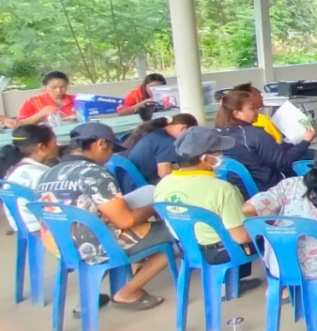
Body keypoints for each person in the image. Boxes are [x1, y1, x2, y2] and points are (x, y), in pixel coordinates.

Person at [36, 122, 173, 310]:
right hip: (94, 246)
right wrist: (155, 208)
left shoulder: (49, 173)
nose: (110, 155)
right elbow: (126, 220)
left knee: (136, 202)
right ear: (101, 144)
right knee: (176, 235)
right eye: (111, 149)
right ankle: (128, 293)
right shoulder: (94, 173)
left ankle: (86, 299)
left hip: (61, 245)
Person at [243, 143, 317, 315]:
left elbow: (248, 209)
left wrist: (270, 229)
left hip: (280, 264)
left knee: (302, 245)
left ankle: (282, 287)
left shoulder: (289, 185)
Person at [154, 127, 261, 293]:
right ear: (205, 158)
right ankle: (283, 286)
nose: (221, 156)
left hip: (188, 250)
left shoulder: (163, 185)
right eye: (218, 152)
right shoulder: (222, 189)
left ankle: (228, 283)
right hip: (222, 252)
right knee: (272, 235)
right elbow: (241, 237)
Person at [214, 89, 314, 195]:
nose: (257, 111)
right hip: (267, 189)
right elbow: (284, 163)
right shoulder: (256, 135)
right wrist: (305, 141)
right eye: (251, 108)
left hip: (236, 189)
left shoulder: (215, 134)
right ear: (237, 114)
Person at [1, 124, 59, 233]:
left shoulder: (12, 168)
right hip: (40, 230)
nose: (57, 147)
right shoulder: (40, 176)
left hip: (20, 226)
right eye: (55, 143)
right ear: (42, 147)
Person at [122, 114, 198, 186]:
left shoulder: (152, 131)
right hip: (144, 184)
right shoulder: (168, 142)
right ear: (183, 128)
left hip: (129, 181)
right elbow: (164, 174)